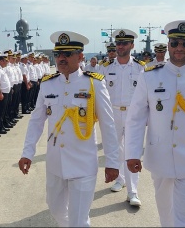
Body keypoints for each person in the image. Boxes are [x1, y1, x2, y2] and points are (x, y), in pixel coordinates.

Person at [18, 31, 120, 227]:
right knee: (55, 208)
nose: (61, 58)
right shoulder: (48, 84)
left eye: (68, 54)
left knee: (79, 220)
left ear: (81, 56)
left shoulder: (94, 83)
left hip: (83, 164)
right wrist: (27, 153)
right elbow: (36, 121)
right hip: (56, 163)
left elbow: (108, 124)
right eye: (58, 54)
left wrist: (112, 162)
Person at [125, 20, 185, 227]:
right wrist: (132, 153)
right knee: (166, 213)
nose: (179, 48)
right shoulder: (149, 76)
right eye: (175, 42)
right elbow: (135, 118)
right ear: (168, 44)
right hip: (160, 156)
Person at [100, 29, 145, 207]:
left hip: (134, 114)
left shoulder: (141, 67)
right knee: (115, 149)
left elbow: (145, 95)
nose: (120, 46)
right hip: (112, 113)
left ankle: (132, 192)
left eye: (125, 43)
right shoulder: (105, 67)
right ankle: (120, 179)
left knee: (132, 151)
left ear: (132, 45)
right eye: (118, 43)